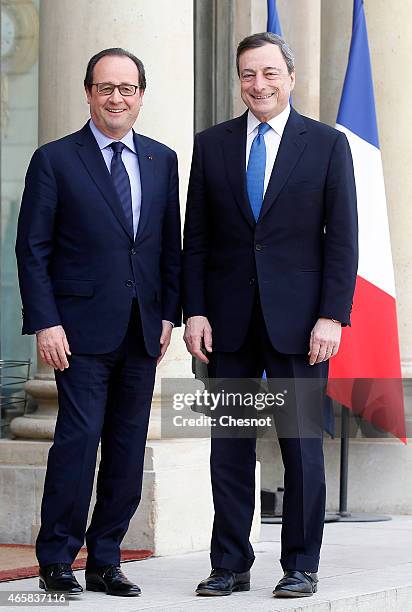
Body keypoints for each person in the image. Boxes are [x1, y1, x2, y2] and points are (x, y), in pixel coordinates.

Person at [182, 32, 357, 598]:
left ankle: (301, 563)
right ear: (239, 81)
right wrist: (196, 310)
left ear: (290, 77)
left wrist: (332, 316)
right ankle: (229, 563)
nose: (258, 85)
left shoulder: (327, 145)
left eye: (268, 74)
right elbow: (198, 240)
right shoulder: (212, 145)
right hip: (228, 321)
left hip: (301, 324)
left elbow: (342, 242)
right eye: (247, 75)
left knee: (301, 444)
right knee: (228, 447)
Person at [15, 47, 181, 597]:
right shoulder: (55, 159)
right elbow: (32, 249)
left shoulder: (162, 160)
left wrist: (167, 315)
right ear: (88, 92)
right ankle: (57, 558)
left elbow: (167, 249)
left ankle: (106, 558)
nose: (117, 98)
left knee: (129, 447)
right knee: (78, 442)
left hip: (141, 330)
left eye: (127, 89)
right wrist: (46, 322)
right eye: (106, 88)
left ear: (140, 96)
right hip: (78, 331)